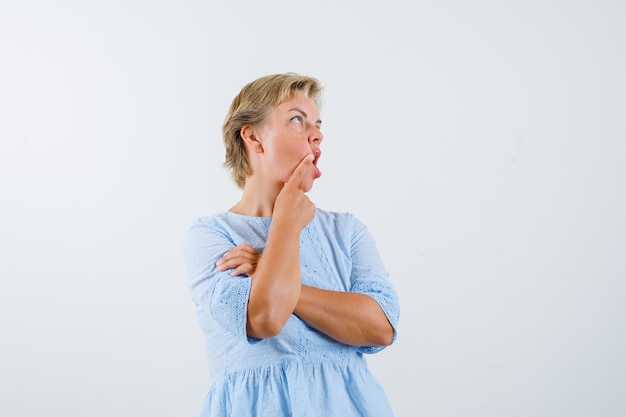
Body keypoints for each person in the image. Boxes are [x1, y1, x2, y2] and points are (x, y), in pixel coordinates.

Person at [183, 72, 400, 417]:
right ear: (253, 137)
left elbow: (380, 327)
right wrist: (285, 219)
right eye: (297, 120)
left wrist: (266, 271)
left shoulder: (347, 231)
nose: (317, 134)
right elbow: (263, 318)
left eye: (317, 124)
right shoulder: (210, 235)